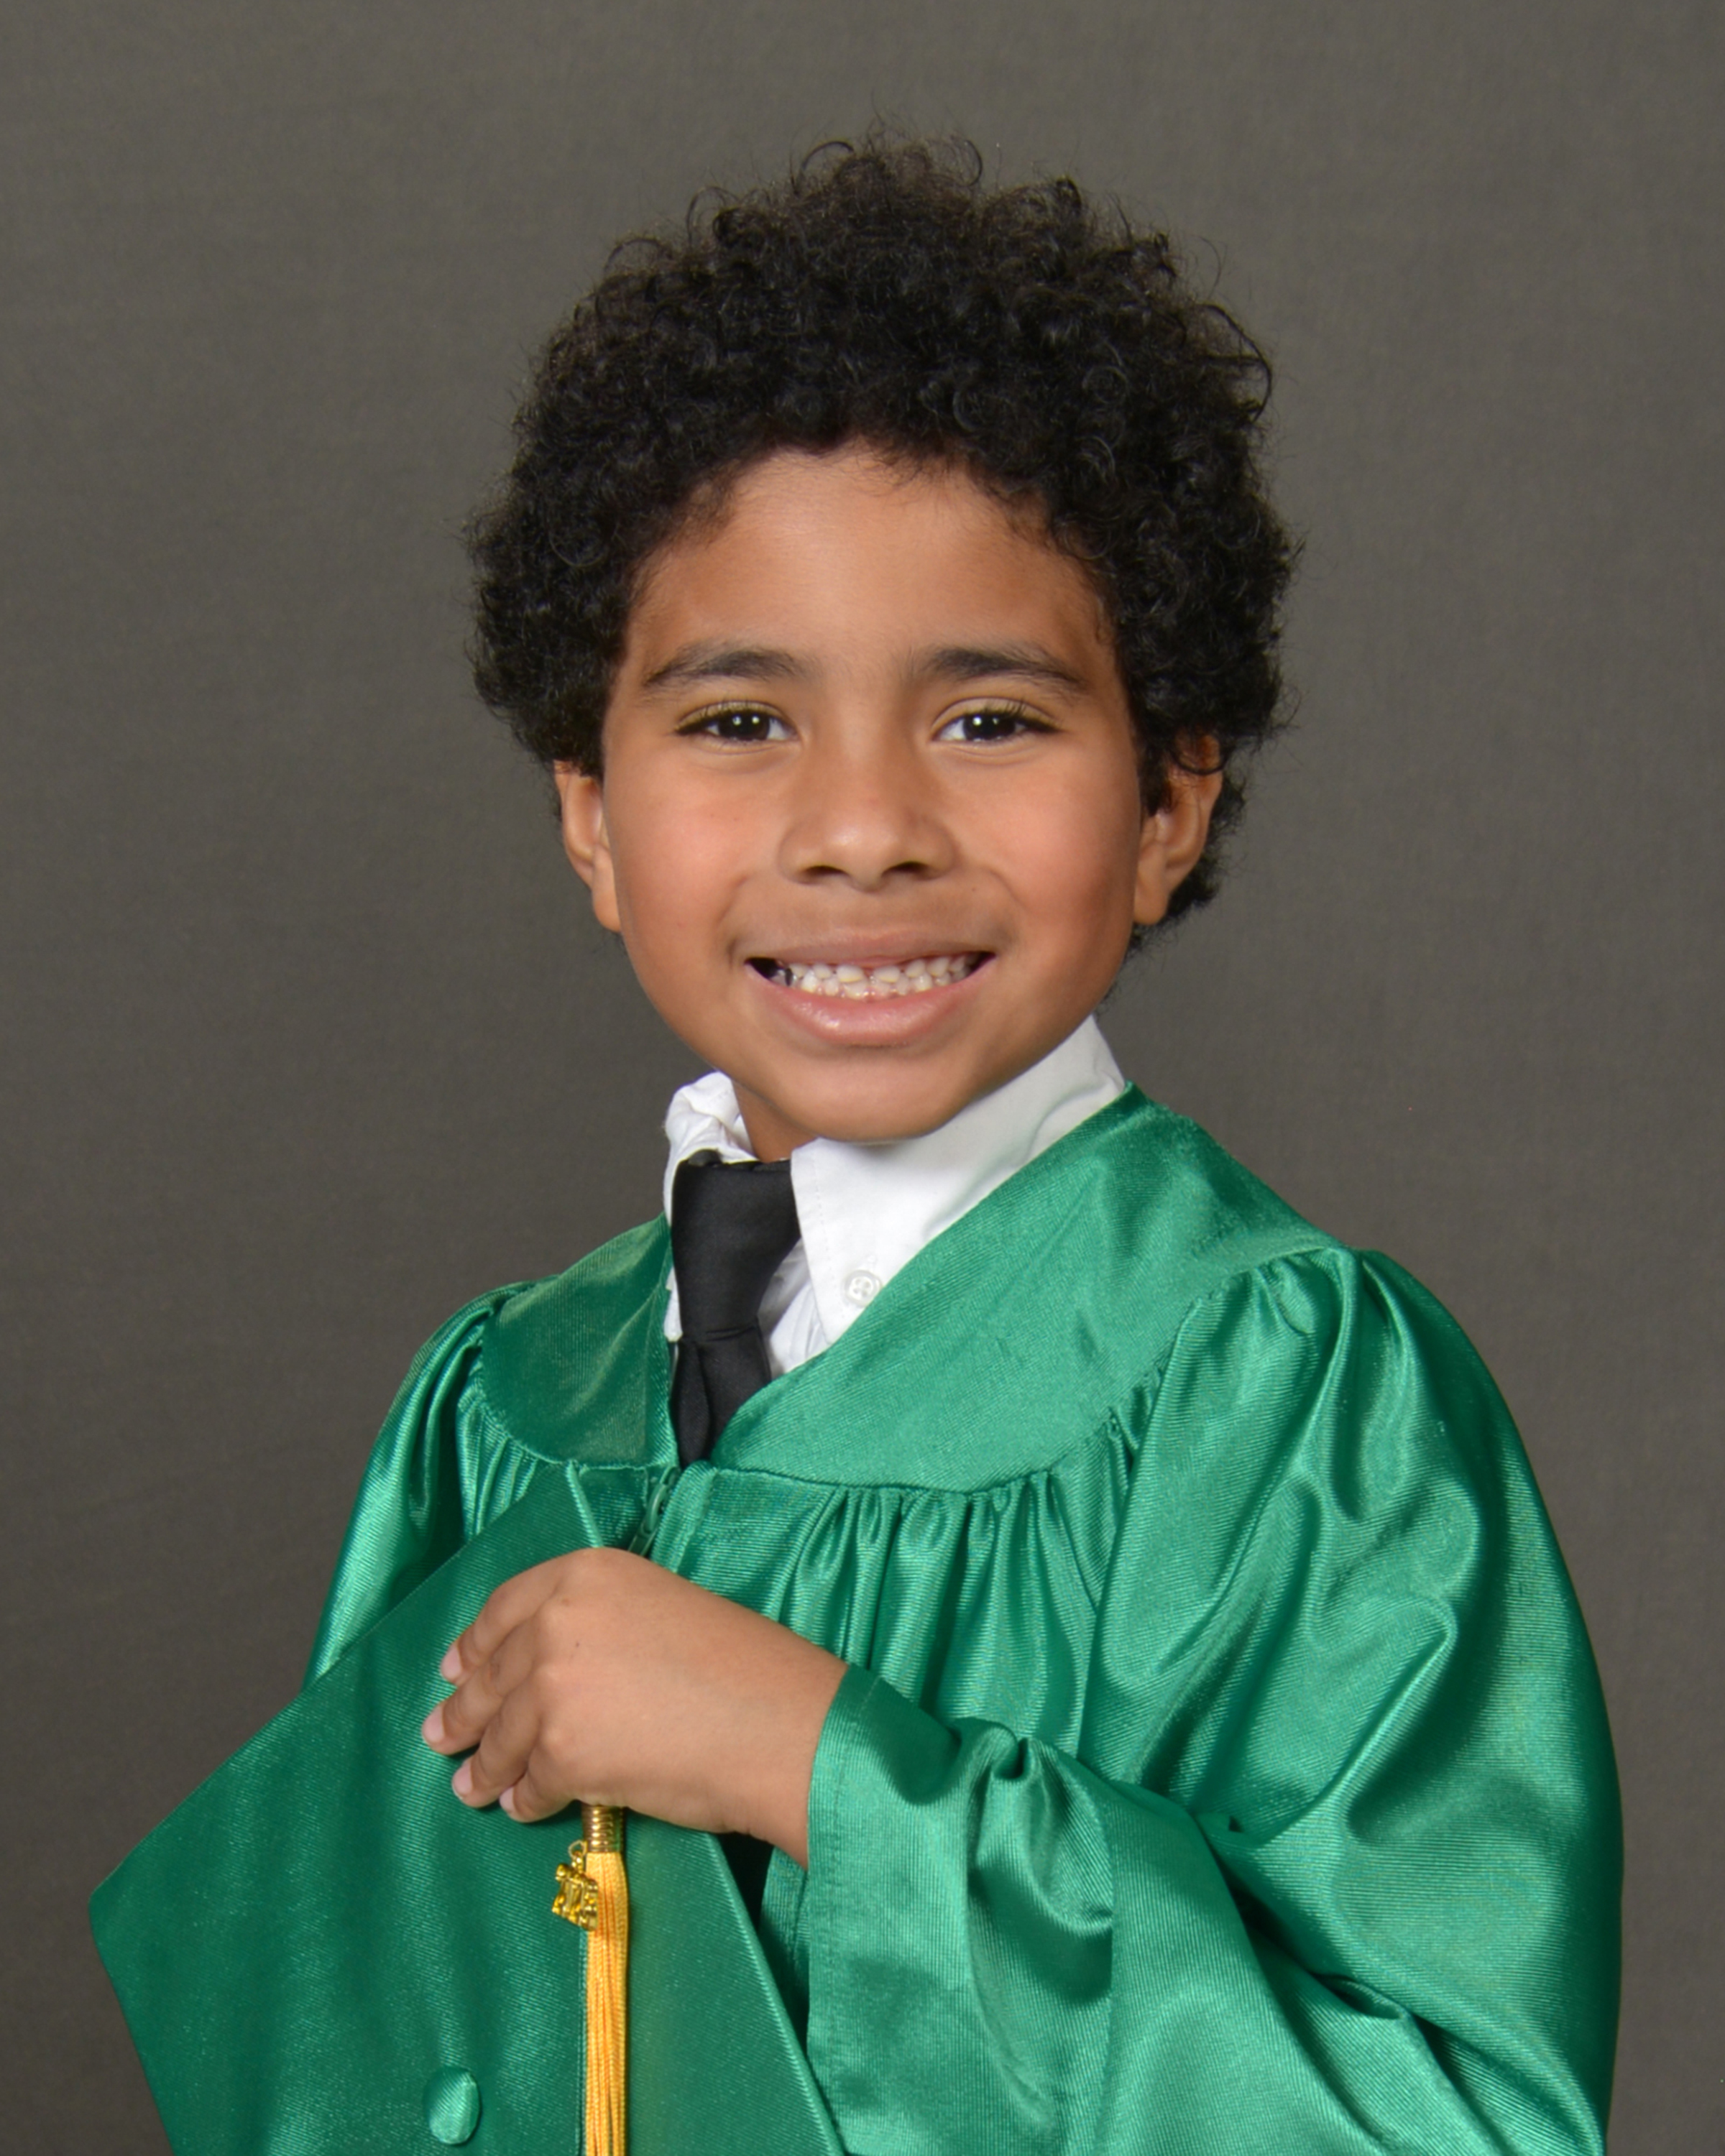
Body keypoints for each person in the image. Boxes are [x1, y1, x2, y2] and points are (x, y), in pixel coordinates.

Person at [98, 140, 1621, 2154]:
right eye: (739, 721)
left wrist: (824, 1767)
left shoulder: (1283, 1405)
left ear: (1169, 802)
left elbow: (1455, 2124)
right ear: (589, 815)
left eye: (990, 720)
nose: (862, 830)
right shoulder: (505, 1405)